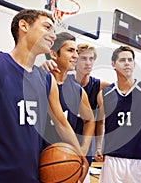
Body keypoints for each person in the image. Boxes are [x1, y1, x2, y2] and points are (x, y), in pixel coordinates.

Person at [0, 9, 88, 183]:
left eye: (54, 31)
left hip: (31, 177)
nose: (53, 36)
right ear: (24, 25)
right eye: (47, 27)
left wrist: (81, 155)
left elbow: (62, 123)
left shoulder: (47, 80)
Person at [94, 46, 141, 183]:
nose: (127, 63)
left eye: (130, 60)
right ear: (113, 64)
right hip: (112, 159)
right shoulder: (104, 94)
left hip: (139, 159)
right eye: (122, 60)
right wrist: (98, 146)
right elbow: (100, 122)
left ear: (134, 64)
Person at [41, 32, 95, 183]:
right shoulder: (38, 81)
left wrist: (83, 149)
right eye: (70, 51)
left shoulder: (77, 90)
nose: (76, 56)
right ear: (53, 54)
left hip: (67, 159)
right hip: (39, 159)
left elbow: (90, 120)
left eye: (76, 51)